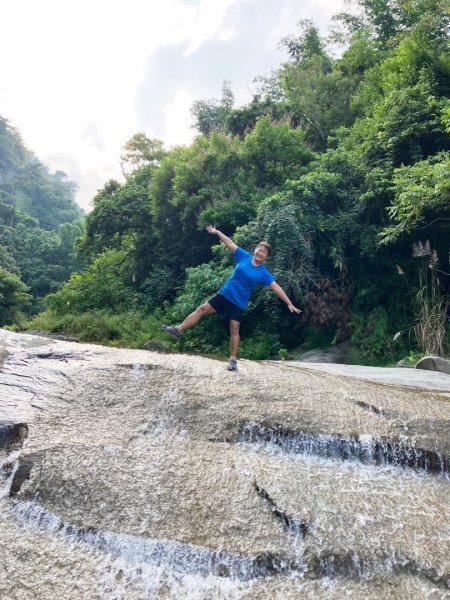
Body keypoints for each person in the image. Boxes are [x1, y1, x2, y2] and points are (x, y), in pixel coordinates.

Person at [163, 225, 301, 371]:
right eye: (260, 249)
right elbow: (230, 243)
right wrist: (217, 232)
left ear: (266, 257)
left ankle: (233, 360)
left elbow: (276, 287)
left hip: (238, 302)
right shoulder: (244, 257)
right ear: (255, 250)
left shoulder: (263, 273)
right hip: (224, 294)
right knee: (202, 309)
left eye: (264, 252)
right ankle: (178, 330)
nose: (261, 253)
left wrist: (289, 303)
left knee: (234, 328)